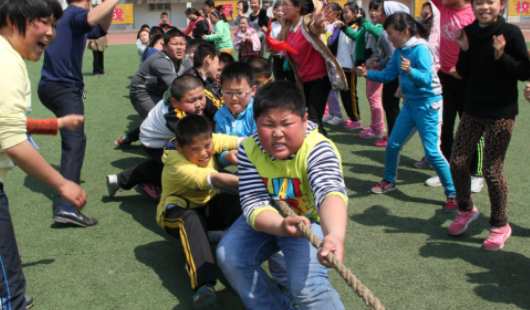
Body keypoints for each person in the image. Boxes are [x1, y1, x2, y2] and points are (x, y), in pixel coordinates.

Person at [217, 80, 347, 309]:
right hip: (271, 217)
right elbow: (252, 202)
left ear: (305, 119)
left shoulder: (317, 148)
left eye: (286, 123)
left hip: (312, 220)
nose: (277, 133)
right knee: (231, 257)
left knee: (307, 291)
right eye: (268, 124)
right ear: (255, 122)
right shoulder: (250, 149)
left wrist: (334, 234)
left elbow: (329, 193)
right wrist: (279, 225)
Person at [0, 0, 88, 308]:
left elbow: (9, 124)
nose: (51, 33)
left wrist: (55, 124)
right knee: (9, 287)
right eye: (43, 22)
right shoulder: (8, 63)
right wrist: (62, 184)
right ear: (12, 19)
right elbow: (11, 139)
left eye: (54, 25)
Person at [448, 0, 530, 250]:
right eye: (479, 2)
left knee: (492, 170)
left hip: (501, 112)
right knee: (458, 162)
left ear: (502, 5)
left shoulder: (511, 33)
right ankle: (466, 209)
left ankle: (500, 225)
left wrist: (501, 57)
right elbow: (463, 71)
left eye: (490, 2)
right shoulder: (470, 32)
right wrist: (463, 48)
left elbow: (524, 72)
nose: (484, 7)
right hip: (473, 108)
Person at [356, 12, 458, 212]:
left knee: (432, 152)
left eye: (391, 33)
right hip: (410, 105)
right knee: (393, 144)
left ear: (405, 31)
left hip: (428, 106)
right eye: (387, 33)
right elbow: (387, 75)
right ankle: (389, 181)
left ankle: (453, 193)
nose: (388, 37)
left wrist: (411, 71)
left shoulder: (420, 49)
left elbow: (427, 80)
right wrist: (368, 73)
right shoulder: (400, 50)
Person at [37, 0, 120, 227]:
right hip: (64, 88)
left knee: (73, 141)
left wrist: (107, 6)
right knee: (75, 142)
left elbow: (100, 28)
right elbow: (92, 19)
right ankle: (66, 207)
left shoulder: (68, 17)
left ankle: (65, 199)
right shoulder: (75, 14)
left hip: (50, 87)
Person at [157, 115, 243, 309]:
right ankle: (204, 287)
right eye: (195, 150)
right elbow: (212, 179)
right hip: (176, 213)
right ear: (179, 147)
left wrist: (255, 144)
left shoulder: (206, 139)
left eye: (207, 146)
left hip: (207, 207)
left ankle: (253, 250)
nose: (204, 153)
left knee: (236, 203)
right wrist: (253, 181)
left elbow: (234, 140)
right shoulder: (176, 163)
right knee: (190, 219)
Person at [107, 75, 221, 199]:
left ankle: (118, 180)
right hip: (153, 142)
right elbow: (197, 138)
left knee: (163, 163)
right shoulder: (174, 115)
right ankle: (151, 184)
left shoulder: (197, 93)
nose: (199, 104)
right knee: (180, 165)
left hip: (159, 133)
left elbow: (220, 112)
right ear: (175, 102)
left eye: (200, 98)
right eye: (192, 101)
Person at [419, 0, 485, 194]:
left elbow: (482, 48)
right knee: (443, 126)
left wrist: (466, 69)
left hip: (468, 80)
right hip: (444, 78)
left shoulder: (474, 12)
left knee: (471, 126)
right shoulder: (443, 7)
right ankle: (446, 172)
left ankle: (476, 174)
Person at [276, 0, 347, 136]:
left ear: (298, 7)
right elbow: (276, 48)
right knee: (304, 117)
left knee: (313, 121)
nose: (282, 8)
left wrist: (319, 22)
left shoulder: (307, 22)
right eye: (282, 4)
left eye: (285, 4)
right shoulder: (289, 28)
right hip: (303, 79)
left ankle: (322, 153)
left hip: (319, 78)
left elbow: (317, 28)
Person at [115, 29, 193, 148]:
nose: (179, 48)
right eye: (174, 44)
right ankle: (158, 147)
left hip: (162, 93)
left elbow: (192, 80)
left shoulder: (186, 60)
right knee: (166, 119)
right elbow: (178, 86)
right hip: (142, 93)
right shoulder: (160, 61)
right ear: (165, 46)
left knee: (166, 116)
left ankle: (129, 137)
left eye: (182, 44)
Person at [360, 0, 407, 147]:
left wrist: (379, 63)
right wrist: (379, 59)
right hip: (391, 73)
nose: (376, 13)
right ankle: (393, 135)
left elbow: (391, 56)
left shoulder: (387, 33)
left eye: (380, 10)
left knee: (390, 105)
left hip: (393, 75)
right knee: (390, 104)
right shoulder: (386, 31)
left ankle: (393, 136)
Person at [323, 3, 358, 127]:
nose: (326, 14)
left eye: (329, 12)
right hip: (334, 62)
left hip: (338, 62)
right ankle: (333, 113)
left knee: (338, 90)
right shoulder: (334, 25)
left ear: (337, 13)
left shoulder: (340, 26)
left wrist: (326, 32)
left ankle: (340, 115)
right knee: (333, 90)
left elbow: (331, 42)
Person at [184, 43, 224, 109]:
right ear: (209, 59)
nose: (218, 67)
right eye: (217, 62)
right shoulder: (189, 80)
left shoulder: (211, 81)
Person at [268, 3, 294, 82]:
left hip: (287, 57)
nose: (280, 13)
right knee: (279, 80)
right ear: (274, 12)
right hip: (277, 57)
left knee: (291, 80)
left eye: (282, 11)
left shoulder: (291, 24)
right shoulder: (272, 25)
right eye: (278, 10)